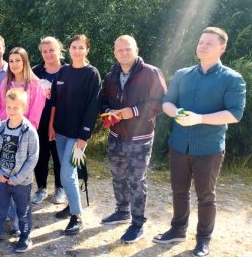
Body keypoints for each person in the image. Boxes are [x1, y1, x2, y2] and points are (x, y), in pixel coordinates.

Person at [153, 27, 246, 257]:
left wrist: (201, 119)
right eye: (201, 42)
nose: (202, 46)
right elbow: (167, 103)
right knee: (179, 191)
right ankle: (177, 230)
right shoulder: (183, 74)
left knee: (206, 195)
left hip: (209, 148)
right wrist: (176, 113)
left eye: (209, 44)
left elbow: (235, 114)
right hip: (179, 144)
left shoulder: (232, 79)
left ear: (222, 47)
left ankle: (203, 240)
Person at [99, 35, 167, 244]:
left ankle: (137, 224)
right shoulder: (111, 76)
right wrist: (109, 112)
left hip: (140, 137)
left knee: (136, 181)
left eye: (128, 49)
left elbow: (162, 102)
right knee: (118, 175)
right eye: (119, 50)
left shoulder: (151, 73)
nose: (124, 53)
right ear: (114, 52)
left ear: (136, 49)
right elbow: (101, 103)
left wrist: (134, 111)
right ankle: (122, 211)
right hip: (116, 135)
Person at [48, 34, 101, 235]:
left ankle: (77, 217)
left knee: (66, 174)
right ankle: (71, 205)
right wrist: (51, 126)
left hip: (78, 135)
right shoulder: (62, 73)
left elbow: (92, 106)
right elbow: (54, 103)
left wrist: (84, 136)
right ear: (68, 50)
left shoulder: (92, 73)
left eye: (81, 47)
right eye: (73, 47)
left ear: (87, 50)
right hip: (60, 132)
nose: (76, 51)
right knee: (66, 172)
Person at [0, 88, 40, 257]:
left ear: (24, 108)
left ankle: (25, 236)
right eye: (9, 107)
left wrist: (18, 177)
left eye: (16, 108)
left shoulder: (29, 131)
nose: (11, 111)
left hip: (21, 182)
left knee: (23, 211)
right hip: (2, 180)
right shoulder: (0, 128)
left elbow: (33, 157)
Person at [31, 37, 66, 205]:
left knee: (59, 157)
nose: (48, 54)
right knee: (41, 156)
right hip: (39, 122)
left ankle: (60, 188)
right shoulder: (36, 71)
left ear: (59, 50)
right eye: (44, 51)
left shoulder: (68, 70)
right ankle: (41, 188)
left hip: (62, 123)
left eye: (51, 50)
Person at [0, 47, 46, 128]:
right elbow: (0, 105)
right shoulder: (5, 82)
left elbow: (35, 115)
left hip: (22, 132)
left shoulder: (36, 85)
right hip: (3, 130)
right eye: (11, 61)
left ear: (24, 62)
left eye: (18, 60)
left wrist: (26, 133)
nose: (14, 64)